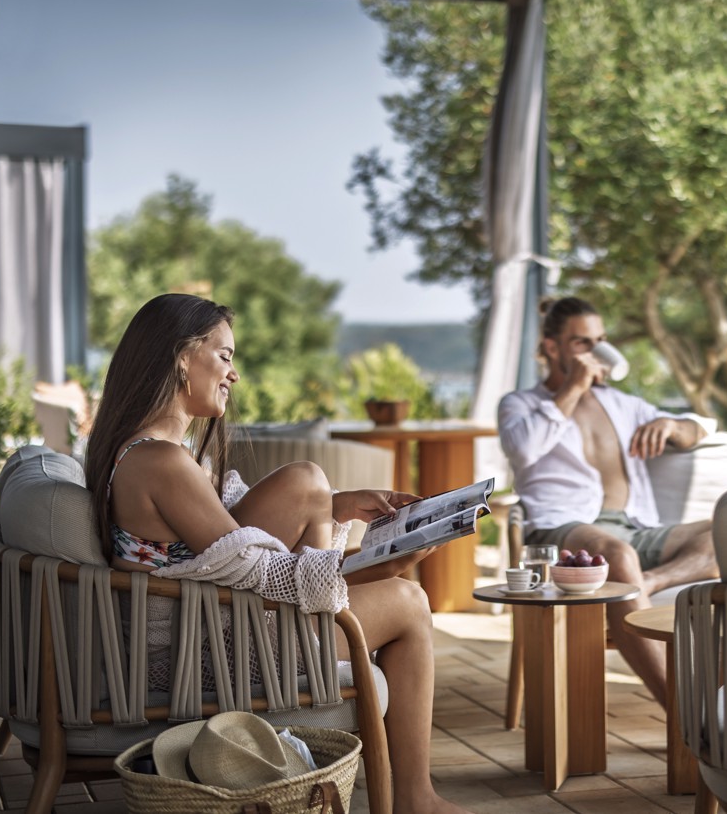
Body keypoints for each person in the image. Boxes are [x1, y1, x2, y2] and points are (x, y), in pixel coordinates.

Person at [84, 293, 470, 814]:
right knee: (407, 600)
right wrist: (384, 564)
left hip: (214, 627)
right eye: (224, 356)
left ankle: (320, 636)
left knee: (308, 480)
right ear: (181, 357)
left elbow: (232, 548)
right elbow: (253, 570)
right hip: (197, 657)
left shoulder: (150, 454)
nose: (233, 374)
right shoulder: (159, 462)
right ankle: (416, 799)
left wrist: (337, 508)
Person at [497, 296, 720, 707]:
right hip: (562, 527)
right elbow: (523, 449)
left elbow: (703, 426)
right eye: (583, 343)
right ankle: (685, 711)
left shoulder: (624, 405)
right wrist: (573, 387)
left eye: (601, 341)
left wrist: (671, 423)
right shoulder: (522, 404)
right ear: (552, 347)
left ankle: (645, 584)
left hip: (635, 528)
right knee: (613, 554)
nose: (596, 353)